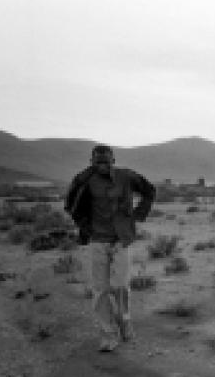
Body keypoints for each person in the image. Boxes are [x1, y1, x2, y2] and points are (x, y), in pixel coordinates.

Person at [65, 145, 156, 352]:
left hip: (120, 239)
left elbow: (149, 191)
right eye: (98, 162)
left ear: (113, 160)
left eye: (106, 161)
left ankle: (124, 322)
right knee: (100, 290)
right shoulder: (85, 181)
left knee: (121, 286)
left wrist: (138, 213)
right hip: (98, 240)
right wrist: (85, 228)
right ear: (92, 162)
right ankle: (108, 335)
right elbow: (71, 205)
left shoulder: (126, 176)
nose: (102, 165)